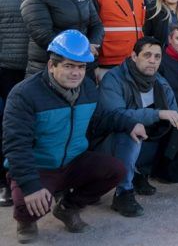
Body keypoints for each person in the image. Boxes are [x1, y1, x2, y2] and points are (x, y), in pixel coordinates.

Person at [3, 31, 127, 242]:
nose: (76, 73)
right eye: (69, 66)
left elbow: (100, 120)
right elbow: (16, 145)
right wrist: (32, 186)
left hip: (74, 160)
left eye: (81, 67)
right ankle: (26, 221)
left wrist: (131, 125)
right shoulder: (24, 93)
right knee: (29, 202)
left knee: (115, 170)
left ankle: (67, 207)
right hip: (40, 164)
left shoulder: (88, 88)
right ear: (52, 66)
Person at [96, 37, 178, 217]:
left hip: (142, 143)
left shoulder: (159, 81)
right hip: (107, 145)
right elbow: (114, 115)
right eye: (147, 55)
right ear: (134, 56)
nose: (153, 60)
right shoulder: (114, 78)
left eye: (157, 57)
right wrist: (157, 114)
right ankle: (123, 193)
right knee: (131, 129)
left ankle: (139, 173)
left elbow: (174, 112)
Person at [0, 0, 36, 207]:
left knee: (37, 128)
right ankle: (6, 182)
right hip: (6, 71)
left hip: (38, 70)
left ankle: (36, 179)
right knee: (8, 129)